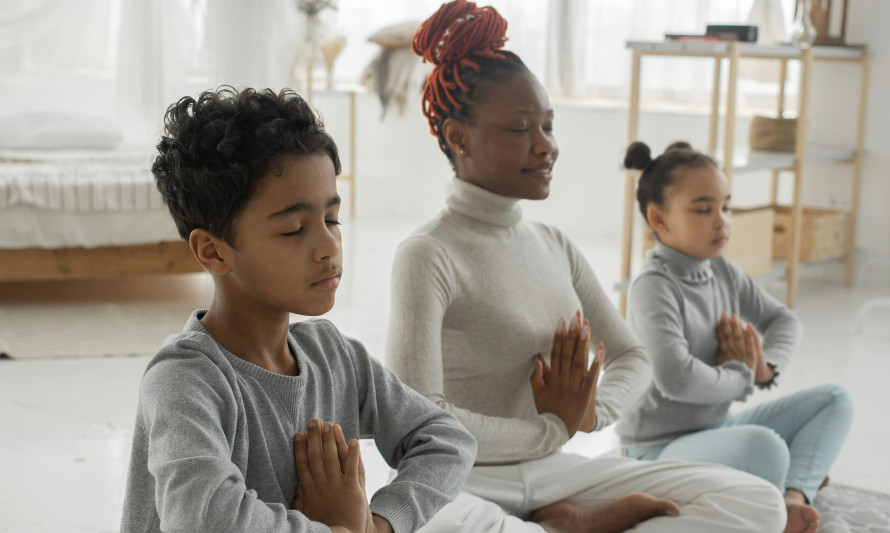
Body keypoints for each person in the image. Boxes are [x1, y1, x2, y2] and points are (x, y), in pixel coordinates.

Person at [385, 2, 788, 532]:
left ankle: (558, 522)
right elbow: (414, 422)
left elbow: (633, 356)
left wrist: (591, 412)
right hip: (464, 481)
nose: (546, 145)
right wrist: (553, 426)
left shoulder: (554, 244)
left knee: (756, 501)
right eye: (521, 128)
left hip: (560, 473)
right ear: (460, 137)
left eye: (548, 126)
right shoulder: (428, 254)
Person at [120, 87, 476, 533]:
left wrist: (378, 524)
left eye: (332, 220)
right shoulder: (185, 379)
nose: (329, 246)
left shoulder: (334, 355)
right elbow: (203, 517)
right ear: (212, 251)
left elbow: (446, 440)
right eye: (293, 229)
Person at [617, 140, 854, 533]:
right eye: (703, 209)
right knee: (764, 447)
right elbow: (676, 378)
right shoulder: (652, 286)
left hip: (714, 431)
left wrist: (764, 368)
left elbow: (784, 320)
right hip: (656, 451)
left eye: (725, 206)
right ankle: (782, 506)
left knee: (834, 400)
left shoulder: (721, 270)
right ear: (658, 219)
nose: (721, 220)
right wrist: (741, 375)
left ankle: (792, 498)